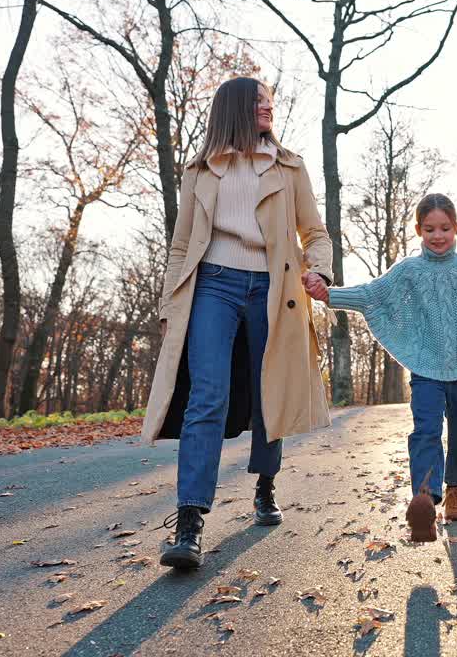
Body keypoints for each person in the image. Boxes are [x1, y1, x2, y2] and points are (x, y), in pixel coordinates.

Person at [143, 76, 334, 570]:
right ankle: (189, 522)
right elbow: (182, 244)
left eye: (270, 101)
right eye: (258, 102)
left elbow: (314, 231)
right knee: (208, 394)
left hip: (273, 289)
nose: (268, 107)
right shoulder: (202, 171)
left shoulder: (289, 166)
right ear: (234, 109)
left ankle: (265, 484)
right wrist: (170, 306)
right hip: (212, 285)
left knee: (269, 390)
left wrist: (320, 269)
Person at [306, 194, 457, 542]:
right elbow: (371, 295)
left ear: (456, 228)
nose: (438, 235)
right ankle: (424, 497)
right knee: (426, 430)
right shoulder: (408, 271)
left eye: (445, 228)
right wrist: (328, 294)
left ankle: (454, 486)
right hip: (426, 369)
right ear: (419, 230)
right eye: (430, 229)